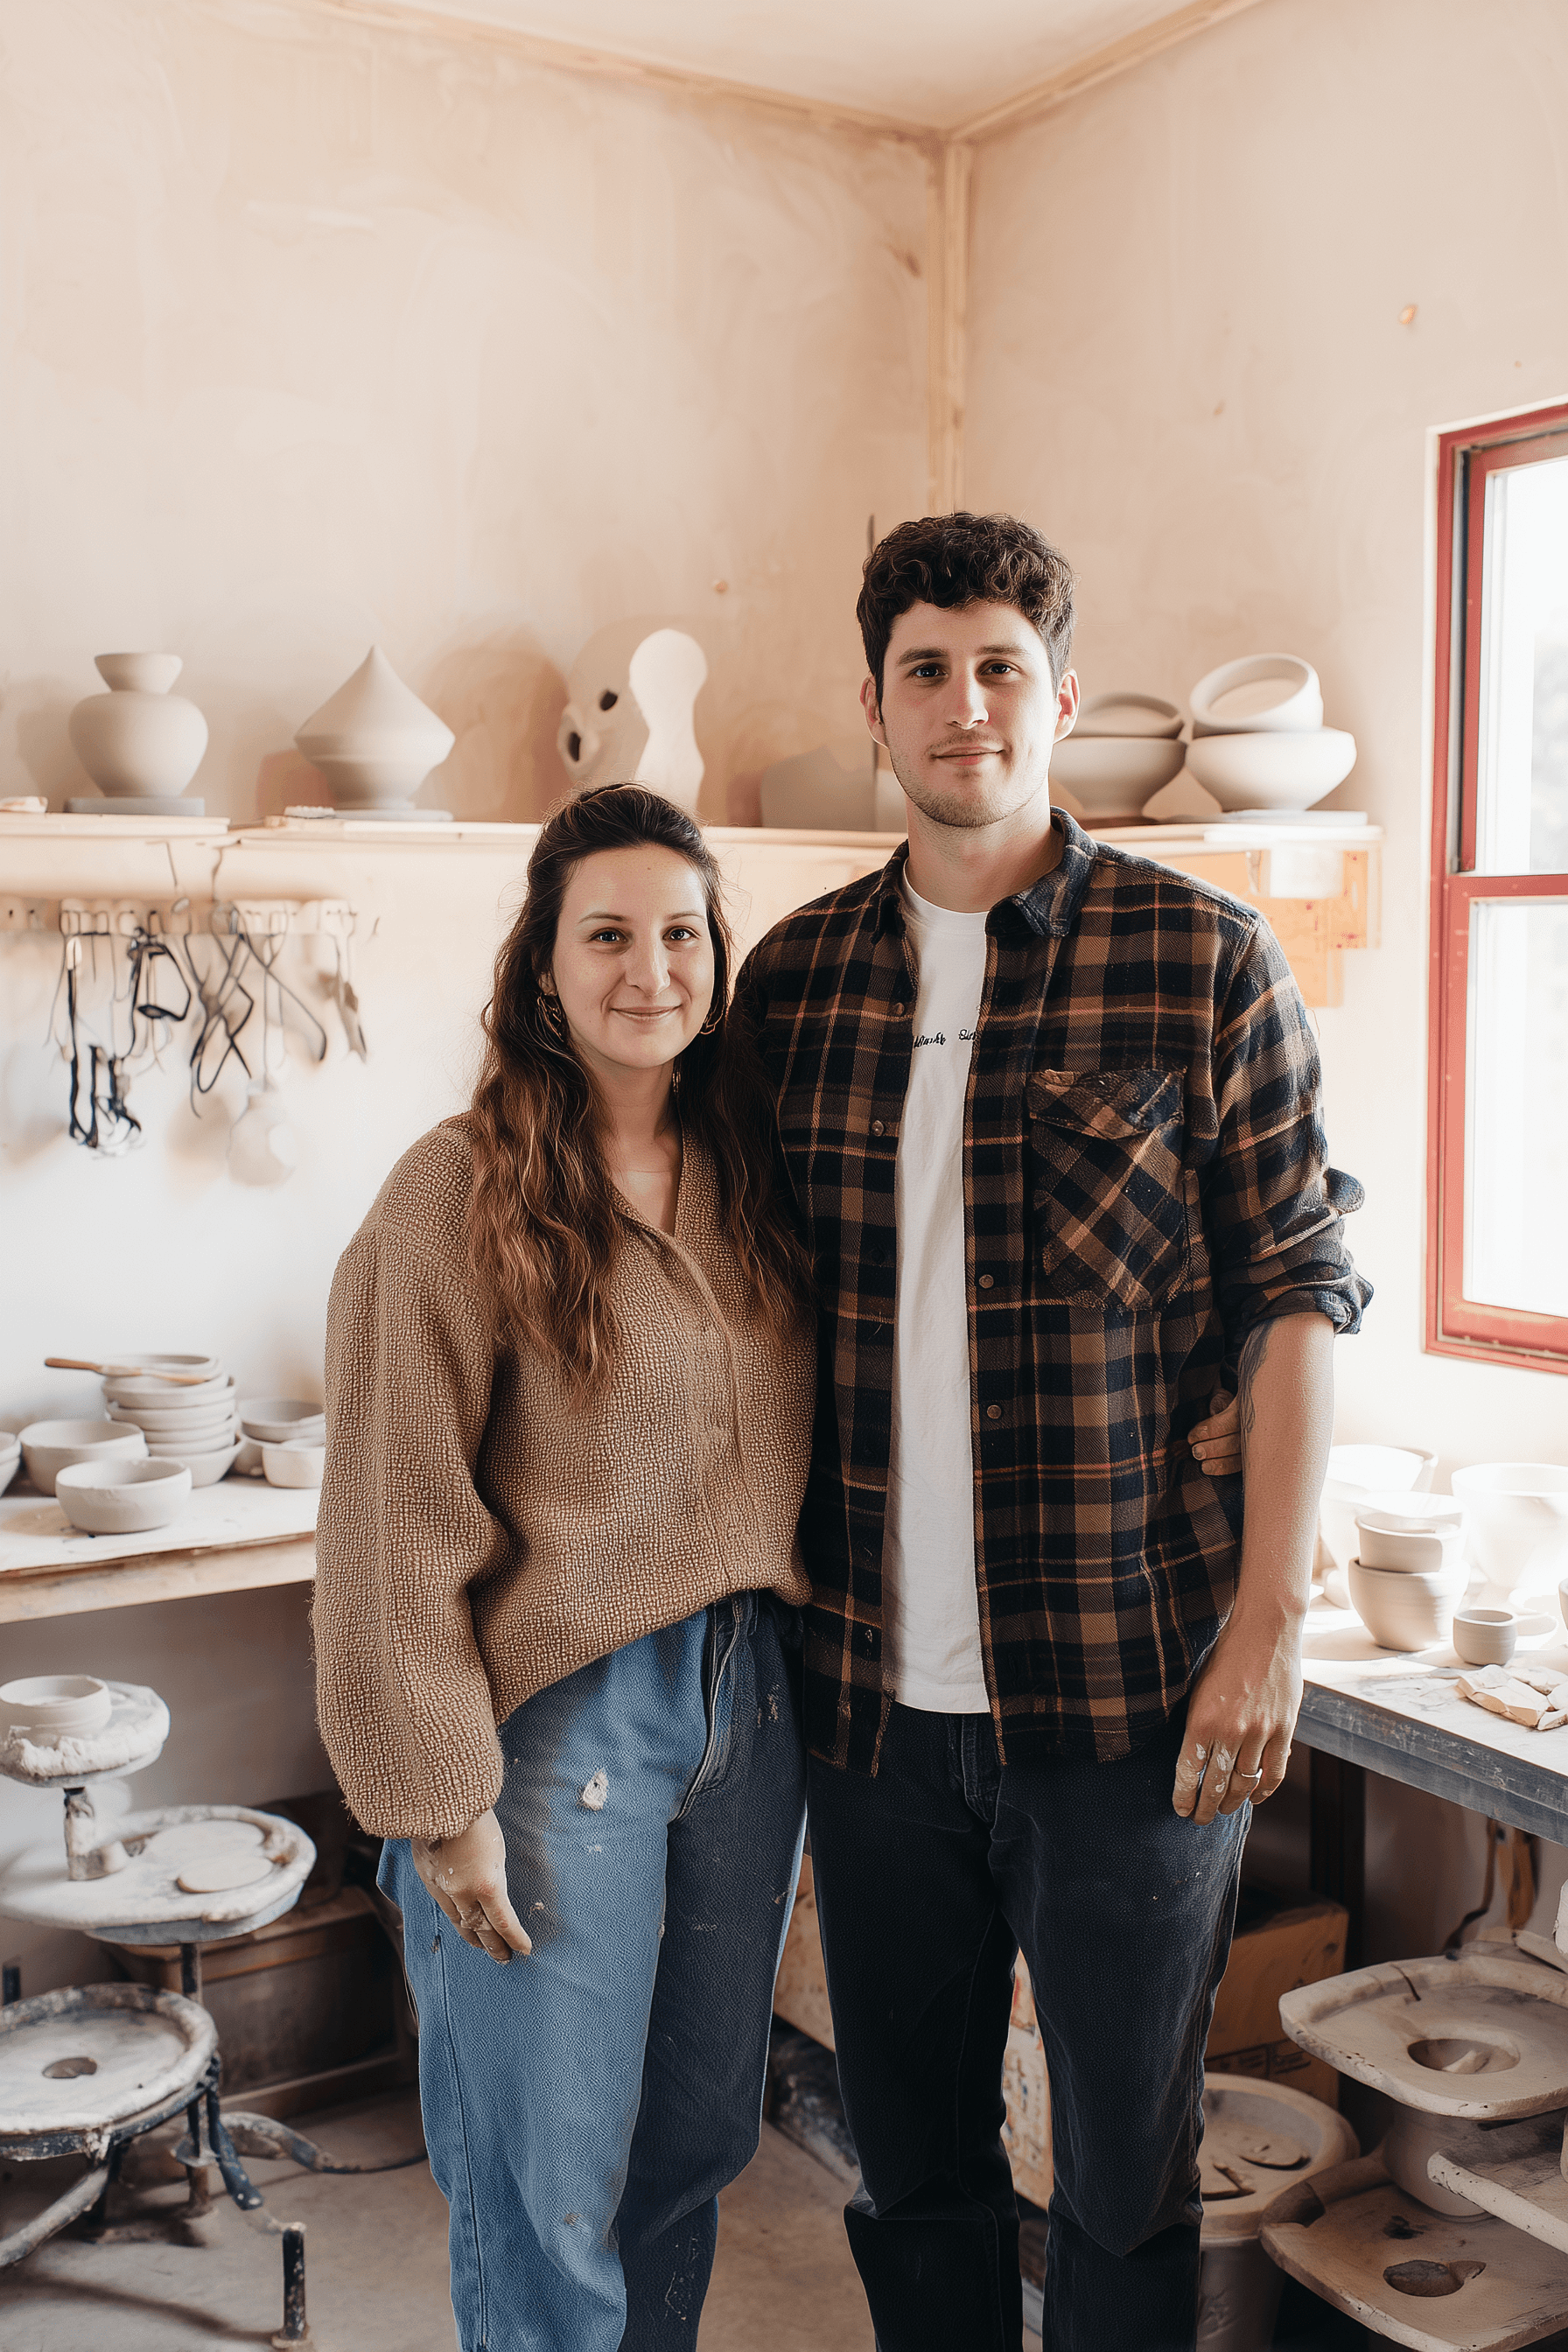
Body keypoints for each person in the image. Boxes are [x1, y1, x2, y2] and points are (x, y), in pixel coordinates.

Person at [734, 511, 1371, 2352]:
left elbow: (1291, 1295)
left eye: (998, 664)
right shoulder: (794, 991)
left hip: (1125, 1716)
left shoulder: (1199, 962)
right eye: (923, 669)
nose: (963, 703)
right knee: (912, 2175)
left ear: (1060, 697)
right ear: (873, 708)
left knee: (1117, 2189)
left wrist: (1267, 1622)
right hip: (868, 1716)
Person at [312, 784, 817, 2352]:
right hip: (556, 1726)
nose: (649, 968)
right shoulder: (451, 1194)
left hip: (755, 1710)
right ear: (542, 965)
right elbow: (388, 1516)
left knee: (692, 2151)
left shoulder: (755, 1167)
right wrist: (435, 1795)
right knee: (543, 2189)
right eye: (607, 933)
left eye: (682, 932)